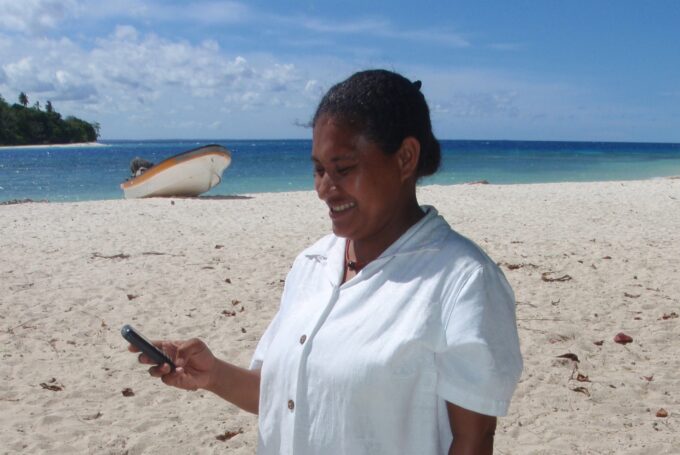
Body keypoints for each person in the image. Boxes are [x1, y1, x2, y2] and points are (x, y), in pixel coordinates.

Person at [128, 69, 522, 454]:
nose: (324, 189)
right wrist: (212, 374)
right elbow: (283, 398)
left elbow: (472, 441)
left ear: (405, 158)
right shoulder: (312, 264)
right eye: (318, 169)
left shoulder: (463, 281)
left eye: (343, 169)